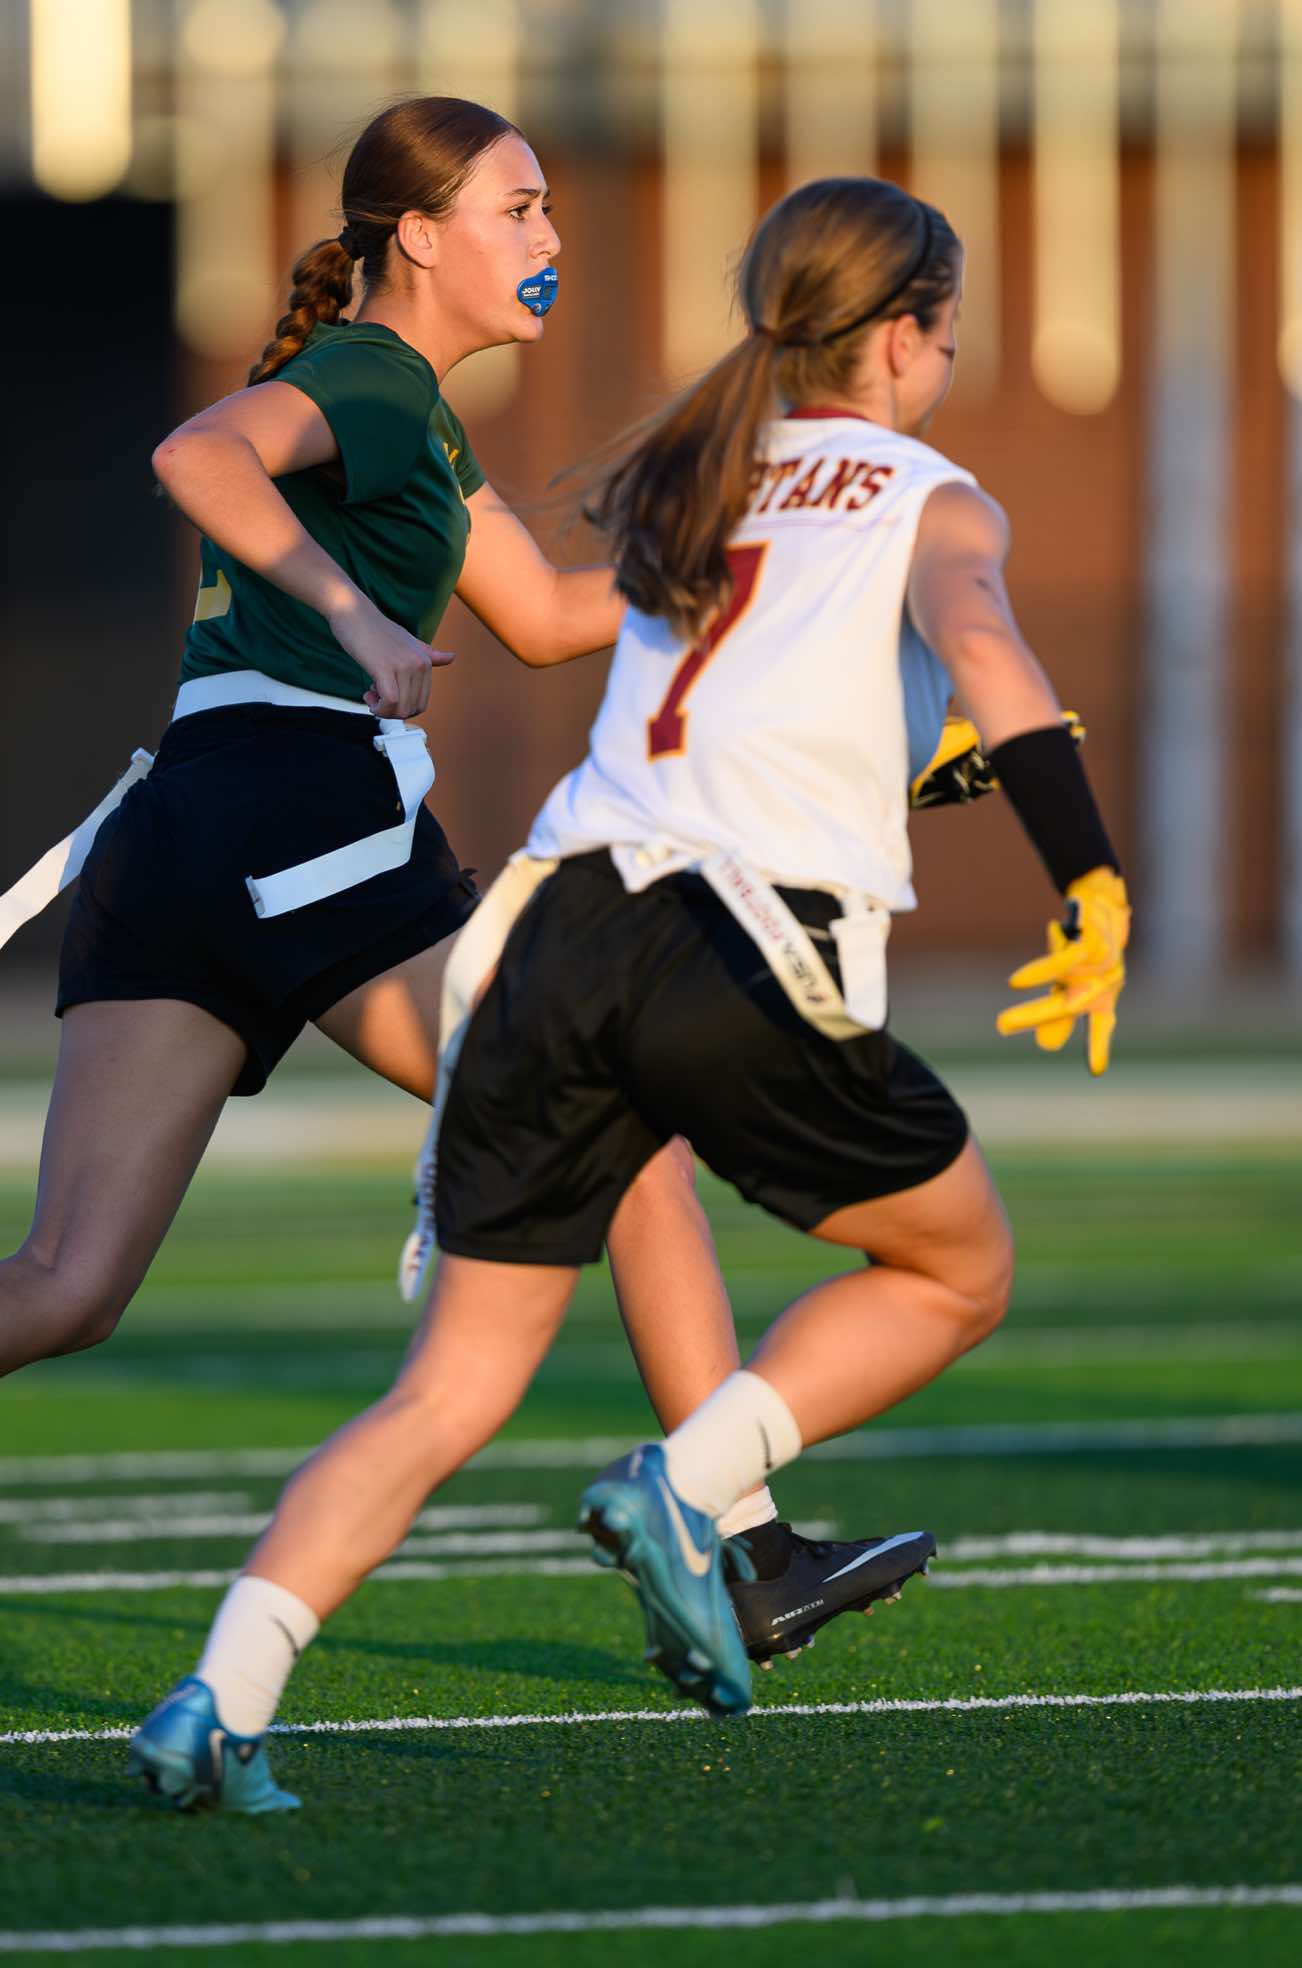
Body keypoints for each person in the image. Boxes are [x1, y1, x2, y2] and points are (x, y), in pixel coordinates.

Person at [0, 102, 923, 1680]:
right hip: (296, 815)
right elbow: (195, 454)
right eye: (517, 207)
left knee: (72, 1275)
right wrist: (353, 615)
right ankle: (744, 1544)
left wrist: (763, 570)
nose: (549, 236)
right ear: (416, 235)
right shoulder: (370, 376)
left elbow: (549, 617)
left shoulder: (416, 420)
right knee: (620, 1116)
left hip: (180, 834)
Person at [127, 173, 1128, 1812]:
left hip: (548, 933)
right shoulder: (929, 491)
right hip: (735, 942)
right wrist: (1085, 875)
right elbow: (993, 662)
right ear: (901, 337)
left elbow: (752, 712)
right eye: (945, 338)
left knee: (449, 1389)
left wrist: (908, 771)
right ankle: (693, 1483)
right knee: (956, 1267)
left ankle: (215, 1698)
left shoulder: (693, 482)